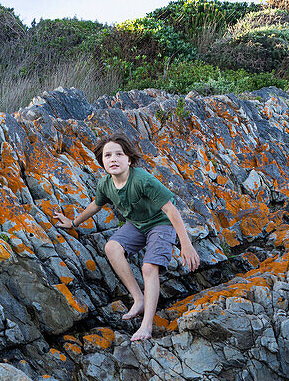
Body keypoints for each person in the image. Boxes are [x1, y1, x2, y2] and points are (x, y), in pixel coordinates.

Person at [53, 133, 200, 341]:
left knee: (149, 267)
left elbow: (171, 211)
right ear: (102, 162)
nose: (113, 159)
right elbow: (96, 205)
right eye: (107, 156)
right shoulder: (105, 184)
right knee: (112, 248)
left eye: (119, 154)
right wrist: (74, 223)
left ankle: (146, 326)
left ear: (129, 159)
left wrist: (186, 244)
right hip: (137, 224)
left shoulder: (142, 180)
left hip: (161, 223)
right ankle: (138, 298)